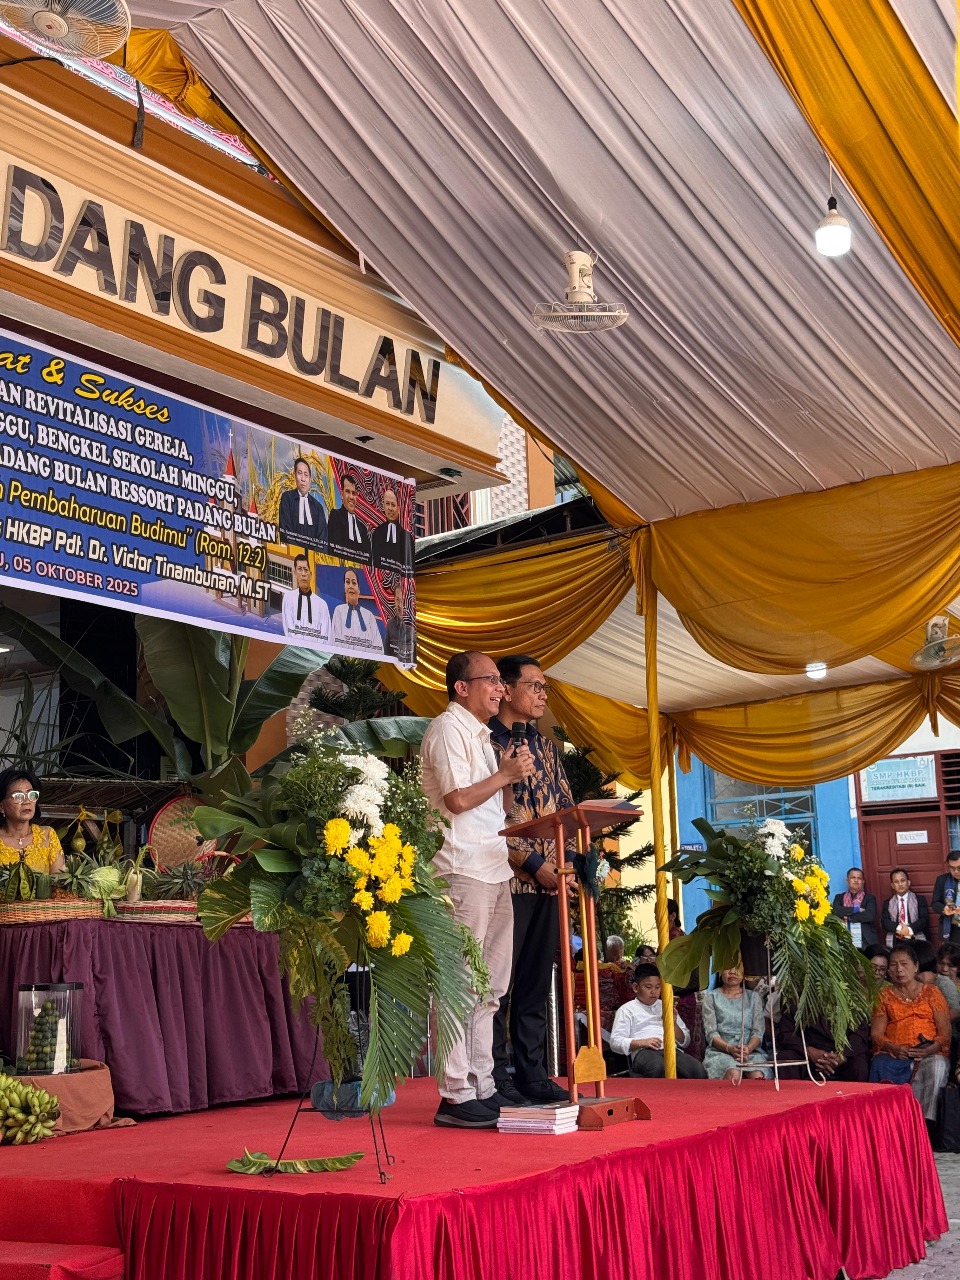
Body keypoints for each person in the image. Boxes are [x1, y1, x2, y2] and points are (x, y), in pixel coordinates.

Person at [420, 651, 534, 1129]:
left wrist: (509, 777)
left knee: (489, 988)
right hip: (459, 869)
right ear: (461, 688)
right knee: (460, 985)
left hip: (492, 867)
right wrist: (504, 775)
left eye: (498, 682)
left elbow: (491, 807)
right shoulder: (447, 729)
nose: (499, 688)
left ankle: (481, 1084)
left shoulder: (484, 738)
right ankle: (454, 1092)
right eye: (490, 680)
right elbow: (457, 800)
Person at [489, 654, 574, 1106]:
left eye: (545, 687)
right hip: (506, 881)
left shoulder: (547, 749)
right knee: (499, 986)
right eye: (535, 686)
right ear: (504, 688)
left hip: (549, 882)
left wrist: (564, 866)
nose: (542, 694)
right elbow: (488, 819)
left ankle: (533, 1075)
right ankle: (497, 1078)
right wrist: (530, 862)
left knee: (536, 985)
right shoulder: (486, 741)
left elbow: (565, 811)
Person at [870, 942, 950, 1128]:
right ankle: (892, 1125)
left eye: (904, 964)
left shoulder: (932, 992)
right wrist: (894, 1048)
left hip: (929, 1052)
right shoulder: (884, 996)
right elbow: (876, 1034)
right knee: (880, 1064)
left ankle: (923, 1124)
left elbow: (945, 1032)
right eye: (893, 964)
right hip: (896, 1053)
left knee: (937, 1065)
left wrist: (932, 1048)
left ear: (916, 966)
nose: (899, 969)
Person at [609, 965, 707, 1079]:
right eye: (648, 987)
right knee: (657, 1067)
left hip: (671, 1050)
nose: (653, 992)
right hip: (643, 1052)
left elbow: (685, 1042)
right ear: (636, 988)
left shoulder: (665, 1006)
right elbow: (615, 1042)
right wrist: (642, 1042)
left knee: (697, 1069)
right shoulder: (626, 1010)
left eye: (657, 987)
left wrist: (673, 1024)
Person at [702, 966, 772, 1080]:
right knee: (733, 1073)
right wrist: (729, 1048)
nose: (733, 972)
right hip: (721, 1052)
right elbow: (711, 1033)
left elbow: (758, 1032)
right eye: (727, 968)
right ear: (719, 972)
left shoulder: (754, 997)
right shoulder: (711, 997)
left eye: (737, 968)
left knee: (757, 1076)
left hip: (750, 1052)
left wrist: (748, 1048)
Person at [777, 1007, 871, 1082]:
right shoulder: (797, 996)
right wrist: (808, 1051)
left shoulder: (850, 997)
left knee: (859, 1066)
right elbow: (786, 1033)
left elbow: (860, 1035)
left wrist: (842, 1055)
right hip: (807, 1053)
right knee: (785, 1060)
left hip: (842, 1055)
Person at [0, 769, 63, 875]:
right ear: (1, 806)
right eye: (18, 796)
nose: (27, 801)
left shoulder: (48, 836)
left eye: (31, 794)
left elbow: (59, 885)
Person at [278, 457, 327, 551]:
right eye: (299, 473)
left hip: (314, 559)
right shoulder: (287, 498)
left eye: (306, 475)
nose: (303, 479)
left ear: (310, 480)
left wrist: (312, 555)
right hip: (291, 554)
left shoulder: (318, 507)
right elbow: (285, 531)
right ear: (294, 476)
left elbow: (323, 540)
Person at [330, 569, 384, 653]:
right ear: (344, 587)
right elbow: (334, 640)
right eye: (348, 582)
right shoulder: (339, 611)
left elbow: (379, 646)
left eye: (354, 583)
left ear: (359, 589)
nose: (351, 586)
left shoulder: (369, 615)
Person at [281, 554, 330, 642]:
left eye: (306, 570)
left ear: (310, 575)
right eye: (300, 569)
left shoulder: (322, 604)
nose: (303, 574)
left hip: (316, 654)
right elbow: (288, 628)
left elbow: (326, 634)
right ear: (295, 573)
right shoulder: (288, 598)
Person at [326, 472, 371, 563]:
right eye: (347, 492)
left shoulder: (362, 528)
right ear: (342, 494)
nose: (351, 497)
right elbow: (334, 548)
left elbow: (368, 558)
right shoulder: (335, 516)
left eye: (353, 493)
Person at [914, 940, 960, 1025]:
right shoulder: (929, 980)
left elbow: (955, 1012)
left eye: (950, 966)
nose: (944, 969)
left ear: (959, 968)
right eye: (941, 963)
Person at [832, 866, 879, 948]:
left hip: (865, 939)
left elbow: (869, 915)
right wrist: (857, 909)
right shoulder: (839, 897)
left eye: (859, 878)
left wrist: (848, 918)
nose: (856, 880)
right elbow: (837, 911)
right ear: (847, 880)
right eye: (853, 877)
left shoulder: (869, 898)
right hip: (843, 937)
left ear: (863, 881)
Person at [370, 488, 414, 574]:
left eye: (393, 505)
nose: (390, 508)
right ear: (383, 506)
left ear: (398, 508)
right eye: (387, 504)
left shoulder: (406, 537)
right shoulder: (376, 534)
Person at [881, 868, 929, 946]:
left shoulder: (919, 899)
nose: (900, 884)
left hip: (915, 936)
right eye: (896, 882)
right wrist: (900, 929)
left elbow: (924, 920)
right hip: (896, 939)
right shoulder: (888, 903)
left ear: (908, 882)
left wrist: (909, 930)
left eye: (902, 880)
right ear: (892, 885)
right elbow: (885, 922)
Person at [931, 851, 960, 946]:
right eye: (952, 868)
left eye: (959, 868)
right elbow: (935, 903)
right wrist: (944, 909)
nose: (955, 871)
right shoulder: (942, 880)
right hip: (952, 928)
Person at [383, 580, 415, 662]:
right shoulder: (390, 624)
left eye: (402, 601)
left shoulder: (411, 628)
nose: (400, 605)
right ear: (394, 600)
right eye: (397, 600)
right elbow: (386, 652)